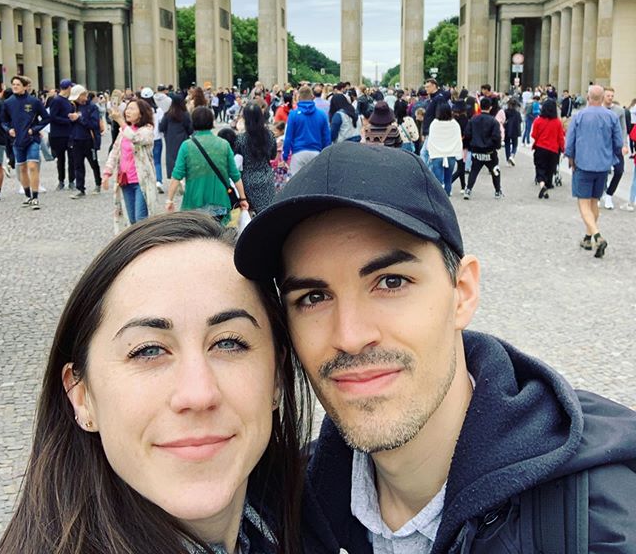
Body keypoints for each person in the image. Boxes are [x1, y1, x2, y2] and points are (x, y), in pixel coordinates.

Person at [233, 144, 636, 554]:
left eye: (391, 282)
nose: (351, 336)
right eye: (314, 297)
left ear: (462, 293)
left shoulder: (600, 519)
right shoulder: (282, 513)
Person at [0, 212, 307, 554]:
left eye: (228, 343)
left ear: (277, 376)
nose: (198, 394)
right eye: (148, 350)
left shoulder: (314, 521)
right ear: (81, 396)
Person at [564, 85, 622, 258]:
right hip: (603, 166)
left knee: (583, 204)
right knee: (594, 202)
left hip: (583, 164)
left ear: (588, 97)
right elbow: (618, 143)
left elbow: (570, 141)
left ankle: (596, 235)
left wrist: (570, 158)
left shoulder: (579, 116)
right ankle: (588, 237)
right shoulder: (611, 116)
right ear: (603, 97)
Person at [165, 106, 248, 224]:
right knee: (217, 236)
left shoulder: (186, 146)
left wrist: (170, 200)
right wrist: (242, 198)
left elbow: (177, 175)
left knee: (197, 237)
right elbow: (235, 175)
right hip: (219, 201)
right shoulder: (224, 144)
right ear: (212, 122)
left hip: (194, 202)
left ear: (193, 122)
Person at [102, 98, 158, 231]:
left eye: (132, 108)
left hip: (141, 181)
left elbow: (136, 138)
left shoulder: (147, 130)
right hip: (125, 180)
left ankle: (144, 246)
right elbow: (115, 152)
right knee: (132, 219)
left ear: (141, 113)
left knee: (141, 219)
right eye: (127, 108)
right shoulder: (123, 132)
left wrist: (121, 122)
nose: (128, 111)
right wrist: (107, 173)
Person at [2, 74, 49, 209]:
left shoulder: (34, 101)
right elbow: (3, 120)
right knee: (22, 168)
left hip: (32, 139)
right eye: (13, 84)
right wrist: (8, 129)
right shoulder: (8, 102)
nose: (15, 87)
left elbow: (46, 118)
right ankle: (28, 196)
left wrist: (34, 129)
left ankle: (35, 197)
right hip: (17, 140)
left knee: (33, 166)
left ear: (24, 87)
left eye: (18, 84)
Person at [234, 103, 277, 214]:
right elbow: (273, 156)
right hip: (266, 177)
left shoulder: (240, 139)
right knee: (268, 213)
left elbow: (237, 161)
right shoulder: (270, 135)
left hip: (248, 180)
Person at [282, 85, 331, 175]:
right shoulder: (322, 114)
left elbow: (288, 137)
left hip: (298, 153)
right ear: (312, 97)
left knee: (296, 185)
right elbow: (327, 138)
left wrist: (285, 156)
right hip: (316, 153)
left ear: (299, 97)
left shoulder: (293, 114)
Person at [463, 96, 502, 200]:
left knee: (474, 171)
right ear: (490, 107)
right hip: (489, 151)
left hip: (476, 150)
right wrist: (496, 146)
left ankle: (468, 189)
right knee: (495, 170)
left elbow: (467, 134)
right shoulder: (494, 121)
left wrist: (469, 146)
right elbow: (496, 137)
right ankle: (497, 191)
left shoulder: (473, 119)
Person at [67, 84, 102, 200]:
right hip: (76, 140)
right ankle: (80, 188)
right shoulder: (73, 106)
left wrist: (79, 119)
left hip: (89, 140)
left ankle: (98, 183)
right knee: (78, 165)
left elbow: (94, 124)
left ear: (84, 95)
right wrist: (71, 119)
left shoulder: (92, 107)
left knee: (93, 163)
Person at [530, 98, 565, 199]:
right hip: (553, 149)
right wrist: (563, 148)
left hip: (540, 147)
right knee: (550, 169)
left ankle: (542, 184)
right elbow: (560, 138)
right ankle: (548, 184)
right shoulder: (557, 122)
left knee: (540, 167)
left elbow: (534, 135)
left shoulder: (538, 121)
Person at [427, 101, 463, 196]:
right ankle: (447, 197)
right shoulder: (455, 124)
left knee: (438, 182)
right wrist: (459, 155)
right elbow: (458, 140)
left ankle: (439, 200)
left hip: (437, 154)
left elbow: (431, 140)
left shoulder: (434, 124)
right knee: (448, 179)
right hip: (450, 154)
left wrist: (430, 151)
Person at [601, 86, 629, 210]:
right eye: (608, 95)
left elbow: (623, 129)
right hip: (602, 146)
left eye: (612, 95)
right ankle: (600, 192)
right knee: (602, 171)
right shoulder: (598, 109)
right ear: (603, 96)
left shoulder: (619, 111)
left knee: (619, 171)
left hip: (616, 145)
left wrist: (625, 144)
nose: (610, 98)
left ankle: (609, 194)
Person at [48, 78, 76, 189]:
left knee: (72, 158)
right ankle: (61, 180)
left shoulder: (69, 100)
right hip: (59, 134)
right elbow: (53, 117)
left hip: (69, 133)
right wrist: (68, 121)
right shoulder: (56, 100)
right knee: (61, 159)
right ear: (68, 87)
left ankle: (71, 180)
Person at [159, 93, 193, 179]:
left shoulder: (168, 114)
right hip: (183, 139)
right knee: (183, 158)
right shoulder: (185, 114)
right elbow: (190, 129)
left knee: (171, 159)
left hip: (170, 139)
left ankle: (173, 176)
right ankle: (183, 176)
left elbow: (161, 127)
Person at [142, 87, 165, 193]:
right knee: (157, 161)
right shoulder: (158, 110)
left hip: (144, 139)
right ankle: (158, 181)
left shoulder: (141, 110)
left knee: (145, 161)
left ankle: (147, 181)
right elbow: (161, 124)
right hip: (157, 138)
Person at [503, 98, 522, 166]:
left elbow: (503, 120)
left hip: (507, 130)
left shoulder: (505, 111)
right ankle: (512, 155)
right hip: (515, 130)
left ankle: (508, 159)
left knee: (507, 144)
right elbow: (520, 121)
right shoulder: (517, 113)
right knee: (515, 145)